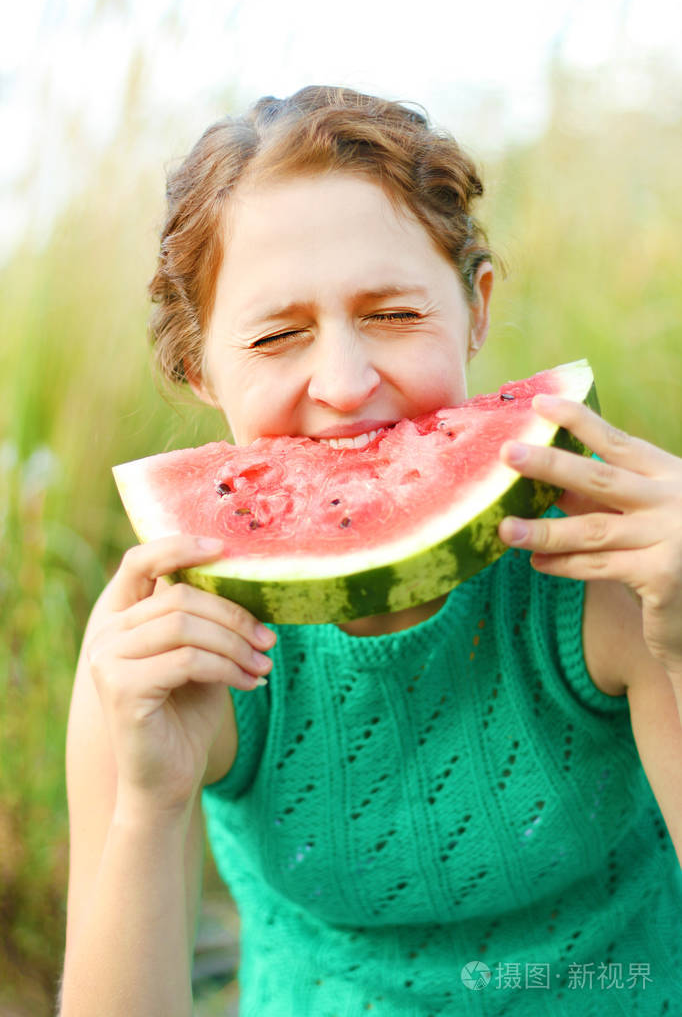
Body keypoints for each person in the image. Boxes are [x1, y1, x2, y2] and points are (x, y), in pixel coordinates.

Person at [60, 86, 682, 1017]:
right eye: (277, 335)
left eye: (392, 315)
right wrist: (148, 805)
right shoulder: (162, 643)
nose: (346, 385)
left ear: (475, 310)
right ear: (201, 370)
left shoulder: (606, 565)